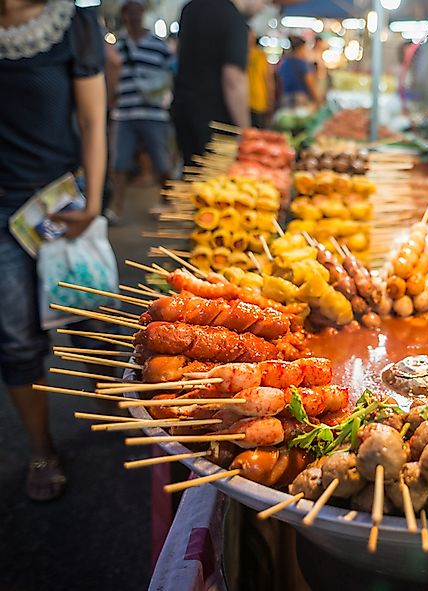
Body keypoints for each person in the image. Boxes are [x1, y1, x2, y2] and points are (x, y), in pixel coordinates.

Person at [0, 0, 107, 500]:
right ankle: (42, 450)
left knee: (90, 318)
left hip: (59, 204)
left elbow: (92, 121)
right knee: (17, 342)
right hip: (1, 218)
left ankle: (117, 420)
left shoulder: (71, 23)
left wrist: (94, 201)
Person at [171, 0, 267, 166]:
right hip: (217, 124)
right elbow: (233, 77)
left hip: (184, 111)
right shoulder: (234, 19)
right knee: (216, 186)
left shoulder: (190, 8)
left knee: (193, 177)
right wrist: (245, 132)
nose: (264, 7)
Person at [108, 0, 173, 222]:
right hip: (124, 113)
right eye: (128, 12)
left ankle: (168, 201)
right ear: (123, 15)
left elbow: (170, 74)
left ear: (143, 13)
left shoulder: (158, 45)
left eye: (136, 11)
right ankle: (115, 208)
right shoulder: (117, 46)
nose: (133, 16)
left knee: (162, 162)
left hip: (153, 113)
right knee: (119, 163)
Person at [277, 35, 320, 108]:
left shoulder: (284, 63)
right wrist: (317, 99)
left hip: (285, 98)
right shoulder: (304, 64)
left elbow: (279, 83)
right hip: (301, 99)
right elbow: (310, 84)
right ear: (300, 48)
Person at [247, 30, 275, 128]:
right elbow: (269, 79)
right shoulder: (260, 55)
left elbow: (268, 79)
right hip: (251, 101)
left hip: (256, 101)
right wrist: (271, 100)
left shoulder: (260, 55)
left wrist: (270, 99)